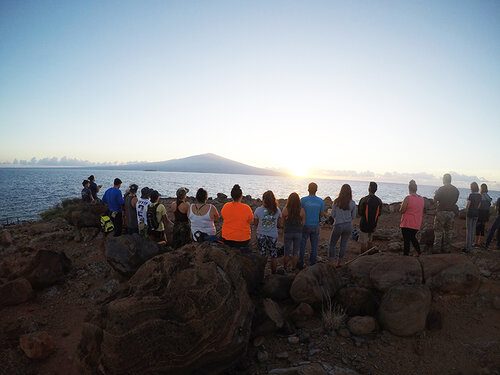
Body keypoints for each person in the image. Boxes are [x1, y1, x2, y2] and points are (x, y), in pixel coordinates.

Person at [328, 184, 356, 267]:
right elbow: (353, 216)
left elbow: (332, 215)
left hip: (338, 225)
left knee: (332, 244)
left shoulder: (336, 202)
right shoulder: (353, 203)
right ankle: (339, 263)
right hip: (348, 226)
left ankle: (332, 262)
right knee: (343, 245)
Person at [254, 190, 282, 274]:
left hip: (261, 235)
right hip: (273, 235)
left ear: (264, 199)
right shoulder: (277, 210)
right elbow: (279, 225)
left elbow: (255, 224)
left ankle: (260, 273)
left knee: (262, 254)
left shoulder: (258, 210)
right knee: (273, 255)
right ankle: (274, 273)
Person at [298, 182, 325, 269]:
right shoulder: (321, 201)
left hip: (305, 225)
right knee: (314, 245)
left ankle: (301, 263)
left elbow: (300, 213)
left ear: (308, 189)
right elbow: (321, 214)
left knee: (302, 244)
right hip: (315, 225)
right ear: (316, 190)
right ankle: (312, 263)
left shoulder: (303, 200)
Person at [433, 173, 460, 253]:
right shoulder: (456, 190)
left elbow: (435, 200)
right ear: (450, 180)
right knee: (448, 232)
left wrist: (435, 196)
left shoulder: (441, 189)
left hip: (441, 212)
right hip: (451, 213)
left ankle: (437, 250)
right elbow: (455, 201)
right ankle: (447, 249)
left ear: (444, 180)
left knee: (438, 232)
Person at [221, 184, 253, 249]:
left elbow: (223, 217)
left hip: (227, 239)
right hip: (243, 240)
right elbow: (251, 221)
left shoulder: (226, 206)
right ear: (241, 196)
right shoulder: (247, 208)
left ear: (231, 196)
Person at [399, 180, 424, 256]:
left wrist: (401, 206)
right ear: (416, 189)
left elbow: (402, 210)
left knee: (407, 240)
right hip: (416, 223)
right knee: (412, 237)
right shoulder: (421, 199)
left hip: (407, 223)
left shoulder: (408, 198)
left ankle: (406, 255)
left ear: (409, 189)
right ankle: (418, 252)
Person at [282, 192, 305, 271]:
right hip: (298, 232)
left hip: (288, 232)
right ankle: (293, 268)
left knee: (286, 252)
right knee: (296, 252)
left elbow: (282, 222)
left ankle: (285, 267)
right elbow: (303, 223)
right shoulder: (301, 210)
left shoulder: (285, 209)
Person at [357, 182, 383, 252]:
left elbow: (360, 213)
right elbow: (379, 213)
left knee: (363, 241)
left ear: (369, 189)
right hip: (373, 224)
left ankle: (363, 257)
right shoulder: (379, 201)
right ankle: (369, 255)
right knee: (370, 240)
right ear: (376, 190)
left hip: (364, 224)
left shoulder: (363, 199)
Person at [465, 182, 481, 253]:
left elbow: (468, 205)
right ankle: (471, 246)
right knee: (473, 230)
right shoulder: (480, 195)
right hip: (476, 214)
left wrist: (466, 211)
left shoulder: (471, 195)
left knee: (469, 230)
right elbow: (479, 206)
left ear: (472, 188)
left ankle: (467, 247)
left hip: (470, 213)